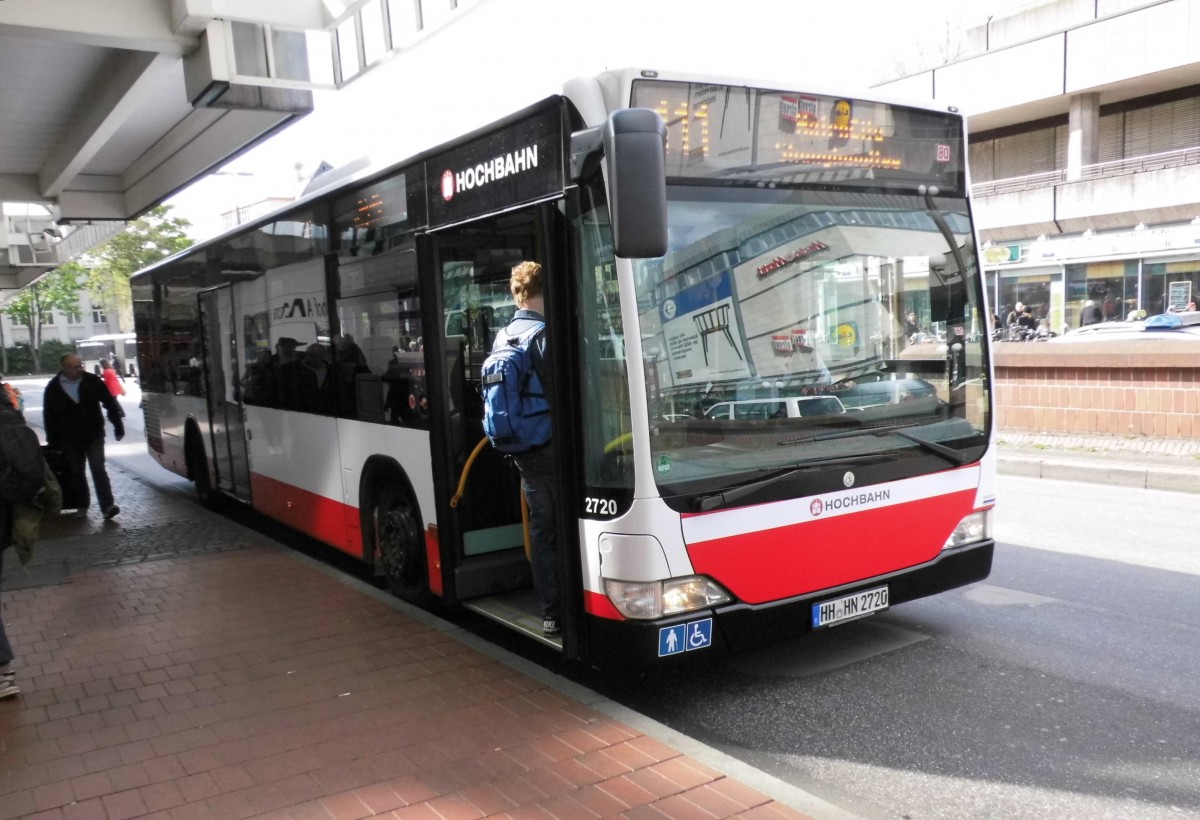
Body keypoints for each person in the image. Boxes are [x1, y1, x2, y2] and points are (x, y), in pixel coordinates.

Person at [500, 261, 560, 637]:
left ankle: (550, 612)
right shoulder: (543, 335)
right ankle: (571, 603)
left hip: (522, 450)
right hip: (553, 446)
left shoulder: (503, 336)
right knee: (563, 526)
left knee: (541, 528)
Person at [43, 353, 125, 519]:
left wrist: (118, 425)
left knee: (98, 468)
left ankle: (107, 506)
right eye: (75, 367)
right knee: (76, 472)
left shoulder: (91, 381)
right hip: (69, 438)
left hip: (93, 434)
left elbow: (109, 402)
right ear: (64, 368)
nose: (80, 369)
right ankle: (82, 505)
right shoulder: (53, 388)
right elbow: (49, 415)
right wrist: (53, 441)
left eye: (80, 365)